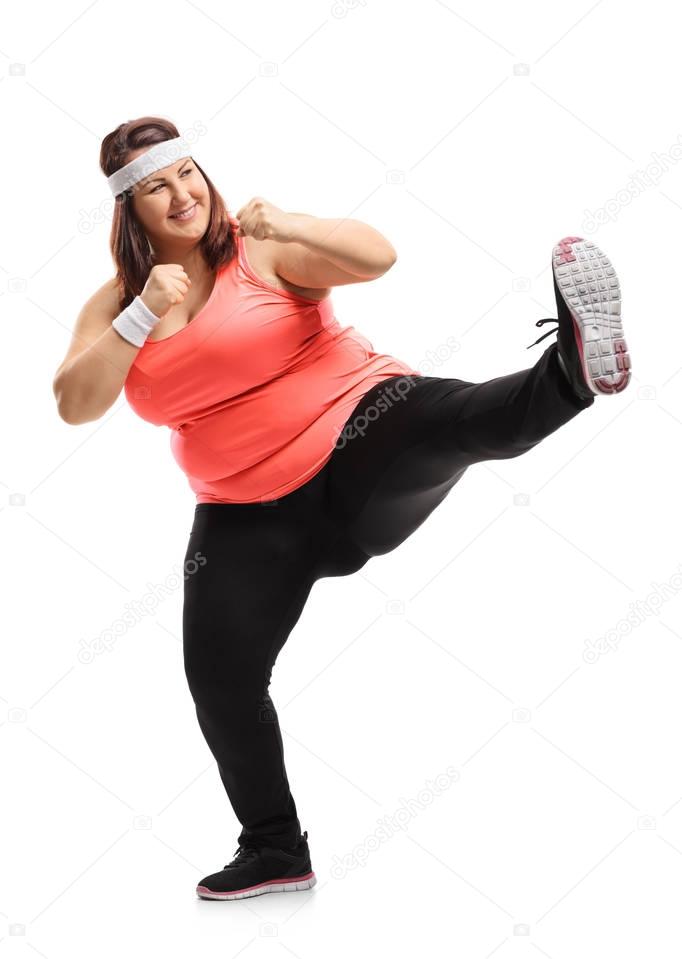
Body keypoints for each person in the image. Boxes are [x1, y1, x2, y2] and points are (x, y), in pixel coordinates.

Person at [52, 116, 632, 902]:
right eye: (156, 186)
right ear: (130, 209)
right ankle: (275, 849)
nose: (181, 193)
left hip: (357, 434)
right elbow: (74, 404)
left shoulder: (257, 248)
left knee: (447, 419)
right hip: (245, 511)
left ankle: (570, 368)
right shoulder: (120, 301)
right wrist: (140, 313)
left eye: (187, 173)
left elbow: (377, 256)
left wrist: (285, 220)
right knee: (219, 674)